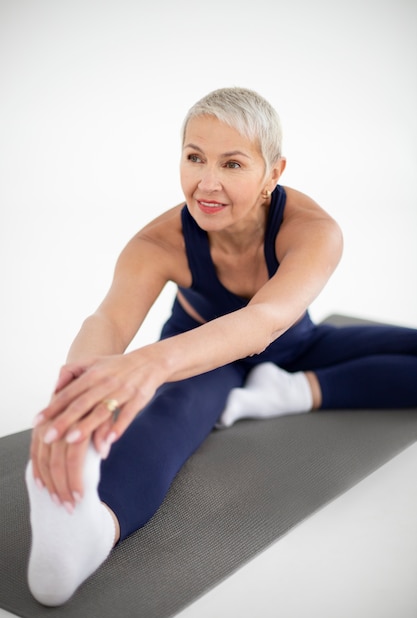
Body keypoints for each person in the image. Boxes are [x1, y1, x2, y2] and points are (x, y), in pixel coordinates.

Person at [25, 87, 417, 606]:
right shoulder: (159, 243)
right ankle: (87, 528)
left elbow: (265, 321)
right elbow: (110, 320)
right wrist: (79, 395)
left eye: (232, 164)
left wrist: (146, 364)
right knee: (174, 416)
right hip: (201, 362)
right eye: (194, 158)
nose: (207, 183)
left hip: (290, 345)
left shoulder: (314, 230)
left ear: (272, 174)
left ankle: (293, 392)